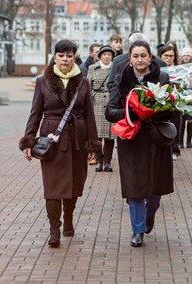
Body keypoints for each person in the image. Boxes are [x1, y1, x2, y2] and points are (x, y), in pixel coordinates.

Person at [18, 39, 101, 248]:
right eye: (61, 55)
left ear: (75, 57)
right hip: (51, 141)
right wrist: (28, 140)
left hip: (76, 140)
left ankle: (69, 218)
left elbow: (90, 115)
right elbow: (35, 113)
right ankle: (54, 229)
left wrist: (92, 144)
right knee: (53, 187)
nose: (65, 59)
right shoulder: (42, 81)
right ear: (55, 57)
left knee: (73, 185)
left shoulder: (83, 82)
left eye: (69, 56)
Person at [105, 40, 173, 247]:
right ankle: (137, 229)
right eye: (135, 56)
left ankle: (150, 214)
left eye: (143, 55)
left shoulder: (162, 77)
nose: (139, 60)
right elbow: (110, 111)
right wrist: (133, 112)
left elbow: (173, 108)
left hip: (156, 139)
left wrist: (157, 109)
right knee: (135, 187)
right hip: (131, 141)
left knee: (155, 190)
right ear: (130, 58)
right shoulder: (121, 78)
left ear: (150, 57)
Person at [87, 45, 116, 172]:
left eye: (109, 55)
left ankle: (108, 162)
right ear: (99, 56)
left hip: (111, 103)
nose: (106, 57)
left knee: (110, 136)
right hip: (96, 103)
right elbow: (88, 87)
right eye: (104, 54)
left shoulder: (115, 69)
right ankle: (99, 161)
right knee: (97, 136)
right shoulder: (92, 68)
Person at [159, 45, 182, 160]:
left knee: (176, 125)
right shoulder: (157, 69)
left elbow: (187, 86)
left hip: (176, 102)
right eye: (166, 56)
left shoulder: (180, 70)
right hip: (161, 103)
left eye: (171, 56)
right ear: (161, 56)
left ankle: (175, 149)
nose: (168, 58)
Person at [179, 45, 192, 148]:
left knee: (190, 120)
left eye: (188, 55)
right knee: (181, 120)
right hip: (181, 96)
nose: (186, 57)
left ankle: (189, 141)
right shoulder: (179, 67)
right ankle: (180, 141)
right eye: (184, 55)